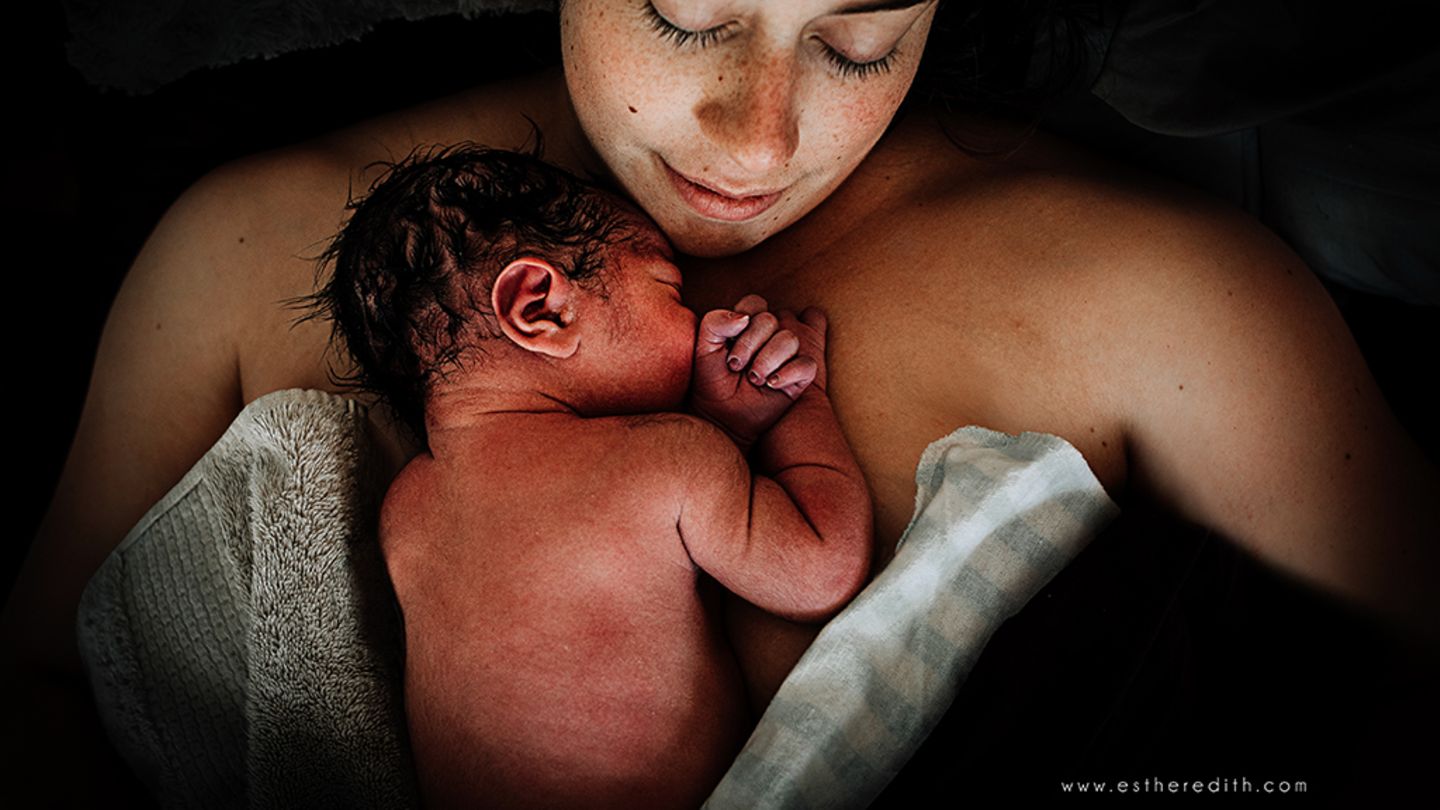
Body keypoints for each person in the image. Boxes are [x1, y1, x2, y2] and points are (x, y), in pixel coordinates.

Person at [5, 0, 1436, 803]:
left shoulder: (1171, 306)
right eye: (689, 14)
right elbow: (45, 691)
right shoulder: (244, 250)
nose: (760, 136)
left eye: (861, 38)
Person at [309, 143, 870, 807]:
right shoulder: (672, 459)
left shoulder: (406, 509)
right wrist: (798, 401)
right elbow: (818, 572)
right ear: (541, 306)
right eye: (670, 289)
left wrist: (722, 425)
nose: (694, 321)